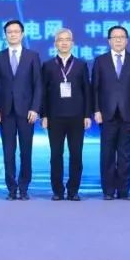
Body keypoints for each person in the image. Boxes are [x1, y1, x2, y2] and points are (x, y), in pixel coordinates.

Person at [0, 20, 42, 200]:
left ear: (22, 34)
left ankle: (24, 187)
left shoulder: (32, 56)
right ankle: (11, 188)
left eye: (16, 31)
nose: (13, 34)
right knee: (8, 151)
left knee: (26, 152)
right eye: (9, 32)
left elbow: (38, 85)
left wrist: (35, 108)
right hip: (5, 111)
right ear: (5, 35)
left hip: (26, 112)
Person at [41, 28, 92, 201]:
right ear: (55, 43)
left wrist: (87, 115)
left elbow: (87, 91)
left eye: (67, 39)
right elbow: (43, 92)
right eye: (60, 40)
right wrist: (44, 115)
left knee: (76, 155)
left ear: (72, 43)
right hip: (54, 116)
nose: (64, 42)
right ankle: (57, 190)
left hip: (77, 116)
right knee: (56, 155)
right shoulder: (48, 65)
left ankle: (73, 190)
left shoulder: (81, 65)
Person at [91, 25, 130, 200]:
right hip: (106, 114)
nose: (118, 40)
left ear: (127, 41)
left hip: (128, 114)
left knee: (125, 154)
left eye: (122, 37)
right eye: (115, 37)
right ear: (109, 41)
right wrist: (96, 110)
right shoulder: (100, 61)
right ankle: (108, 191)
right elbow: (95, 88)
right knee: (107, 154)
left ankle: (124, 191)